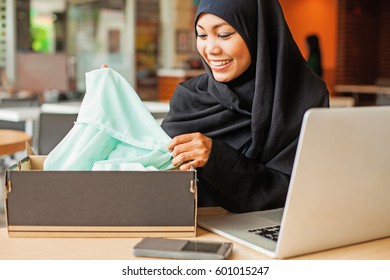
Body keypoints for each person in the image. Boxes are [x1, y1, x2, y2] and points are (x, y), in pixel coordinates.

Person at [160, 0, 329, 213]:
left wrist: (218, 158)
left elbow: (300, 190)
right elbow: (151, 168)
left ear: (258, 33)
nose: (210, 48)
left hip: (277, 231)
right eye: (202, 35)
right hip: (200, 230)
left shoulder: (304, 97)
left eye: (224, 34)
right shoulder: (190, 97)